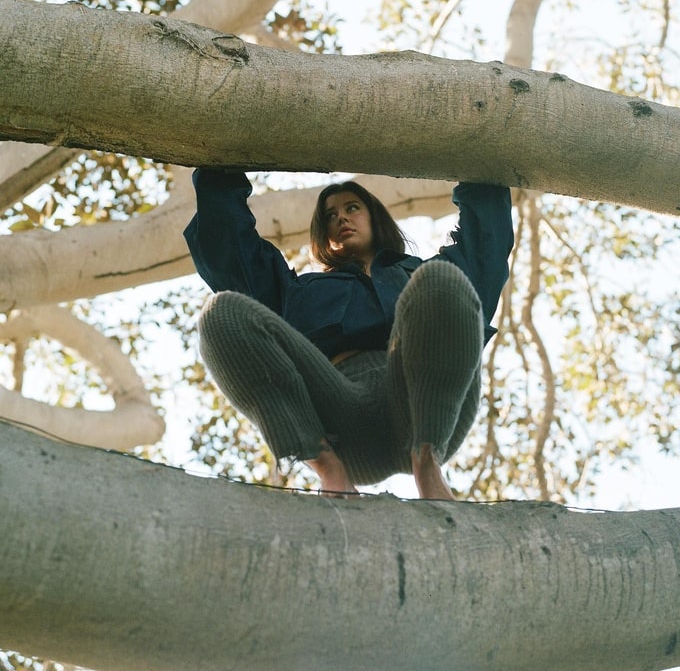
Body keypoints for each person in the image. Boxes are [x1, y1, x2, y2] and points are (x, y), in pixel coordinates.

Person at [184, 169, 514, 499]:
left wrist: (473, 146)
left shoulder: (417, 274)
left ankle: (427, 465)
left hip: (428, 412)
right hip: (341, 417)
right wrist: (220, 168)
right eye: (330, 215)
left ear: (375, 216)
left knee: (443, 278)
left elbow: (486, 242)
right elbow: (229, 248)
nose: (341, 217)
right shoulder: (298, 292)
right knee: (221, 311)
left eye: (352, 207)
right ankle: (330, 470)